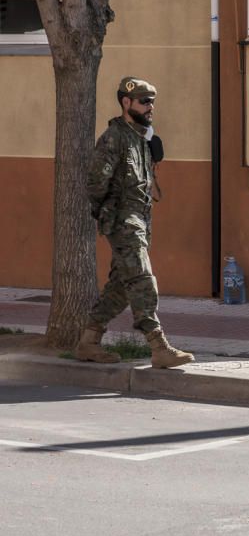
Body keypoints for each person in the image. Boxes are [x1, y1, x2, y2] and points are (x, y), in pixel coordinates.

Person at [73, 77, 195, 369]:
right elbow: (95, 183)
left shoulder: (142, 137)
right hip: (123, 221)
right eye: (144, 101)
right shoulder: (114, 138)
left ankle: (88, 342)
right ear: (126, 103)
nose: (150, 106)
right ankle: (158, 345)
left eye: (152, 101)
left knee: (120, 286)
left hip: (140, 219)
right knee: (142, 278)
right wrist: (107, 214)